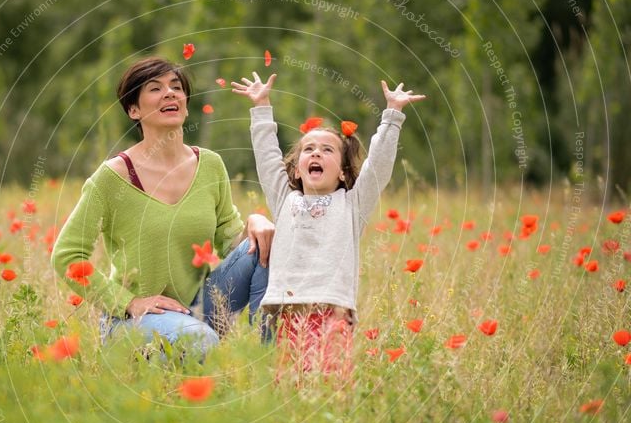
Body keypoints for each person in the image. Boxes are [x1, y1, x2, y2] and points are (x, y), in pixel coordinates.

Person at [51, 57, 273, 357]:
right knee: (201, 341)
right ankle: (189, 346)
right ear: (134, 110)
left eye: (176, 87)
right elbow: (66, 255)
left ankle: (269, 357)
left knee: (267, 245)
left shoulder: (210, 165)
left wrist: (256, 223)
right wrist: (128, 302)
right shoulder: (112, 177)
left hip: (198, 307)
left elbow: (231, 240)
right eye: (155, 89)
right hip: (134, 320)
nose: (169, 93)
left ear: (185, 103)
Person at [231, 72, 425, 380]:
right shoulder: (284, 199)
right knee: (289, 384)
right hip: (287, 312)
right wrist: (261, 106)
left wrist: (393, 115)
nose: (316, 153)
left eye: (327, 149)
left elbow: (379, 166)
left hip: (332, 311)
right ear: (296, 168)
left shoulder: (351, 205)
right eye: (308, 149)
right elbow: (267, 157)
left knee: (328, 383)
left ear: (345, 174)